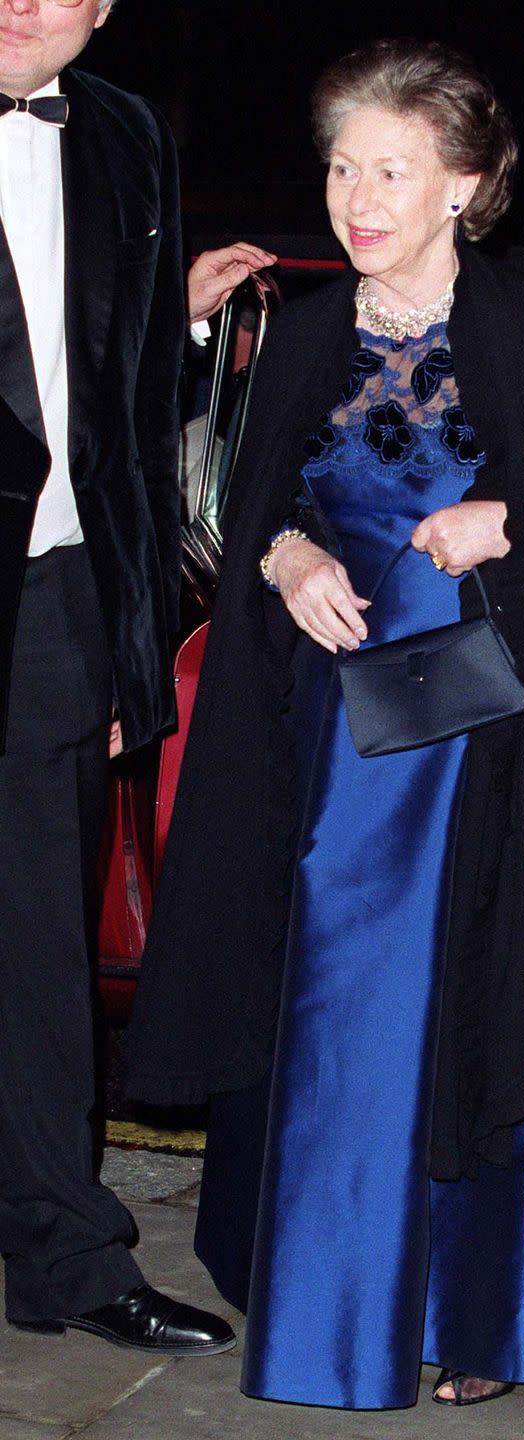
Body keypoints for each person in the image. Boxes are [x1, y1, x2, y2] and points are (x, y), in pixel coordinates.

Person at [128, 38, 524, 1409]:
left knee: (478, 1008)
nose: (356, 196)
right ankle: (333, 1302)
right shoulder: (308, 333)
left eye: (391, 169)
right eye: (340, 166)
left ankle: (477, 1312)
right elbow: (249, 517)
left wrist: (516, 523)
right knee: (335, 1012)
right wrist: (286, 562)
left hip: (492, 759)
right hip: (327, 749)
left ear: (465, 187)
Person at [0, 0, 272, 1356]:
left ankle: (65, 1258)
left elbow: (98, 397)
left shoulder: (119, 136)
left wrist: (163, 326)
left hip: (51, 601)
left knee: (37, 955)